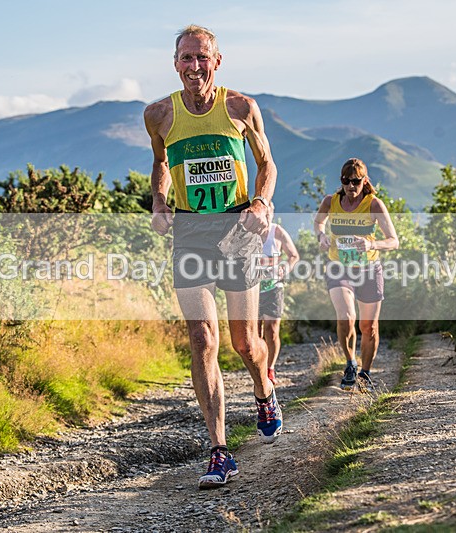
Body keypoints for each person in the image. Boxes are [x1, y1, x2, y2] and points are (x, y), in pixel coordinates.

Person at [143, 24, 281, 489]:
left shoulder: (240, 107)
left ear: (217, 62)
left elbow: (267, 163)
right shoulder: (159, 115)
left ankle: (264, 389)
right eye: (187, 57)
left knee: (246, 344)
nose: (195, 66)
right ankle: (219, 450)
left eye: (203, 57)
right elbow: (161, 163)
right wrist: (159, 201)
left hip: (238, 230)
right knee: (202, 339)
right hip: (190, 232)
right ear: (175, 63)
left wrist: (260, 203)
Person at [313, 158, 399, 391]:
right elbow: (318, 222)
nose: (351, 186)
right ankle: (350, 363)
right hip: (338, 267)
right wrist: (321, 236)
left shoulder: (374, 205)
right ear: (341, 180)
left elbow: (394, 241)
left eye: (356, 181)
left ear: (364, 181)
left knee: (368, 327)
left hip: (369, 269)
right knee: (346, 317)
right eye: (346, 181)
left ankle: (365, 373)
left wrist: (371, 244)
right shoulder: (331, 201)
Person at [256, 202, 299, 385]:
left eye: (269, 214)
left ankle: (270, 368)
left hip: (274, 287)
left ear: (273, 214)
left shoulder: (277, 232)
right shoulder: (249, 232)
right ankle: (258, 368)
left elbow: (293, 256)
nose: (266, 217)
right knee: (255, 333)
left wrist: (285, 269)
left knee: (272, 330)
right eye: (263, 213)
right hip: (253, 289)